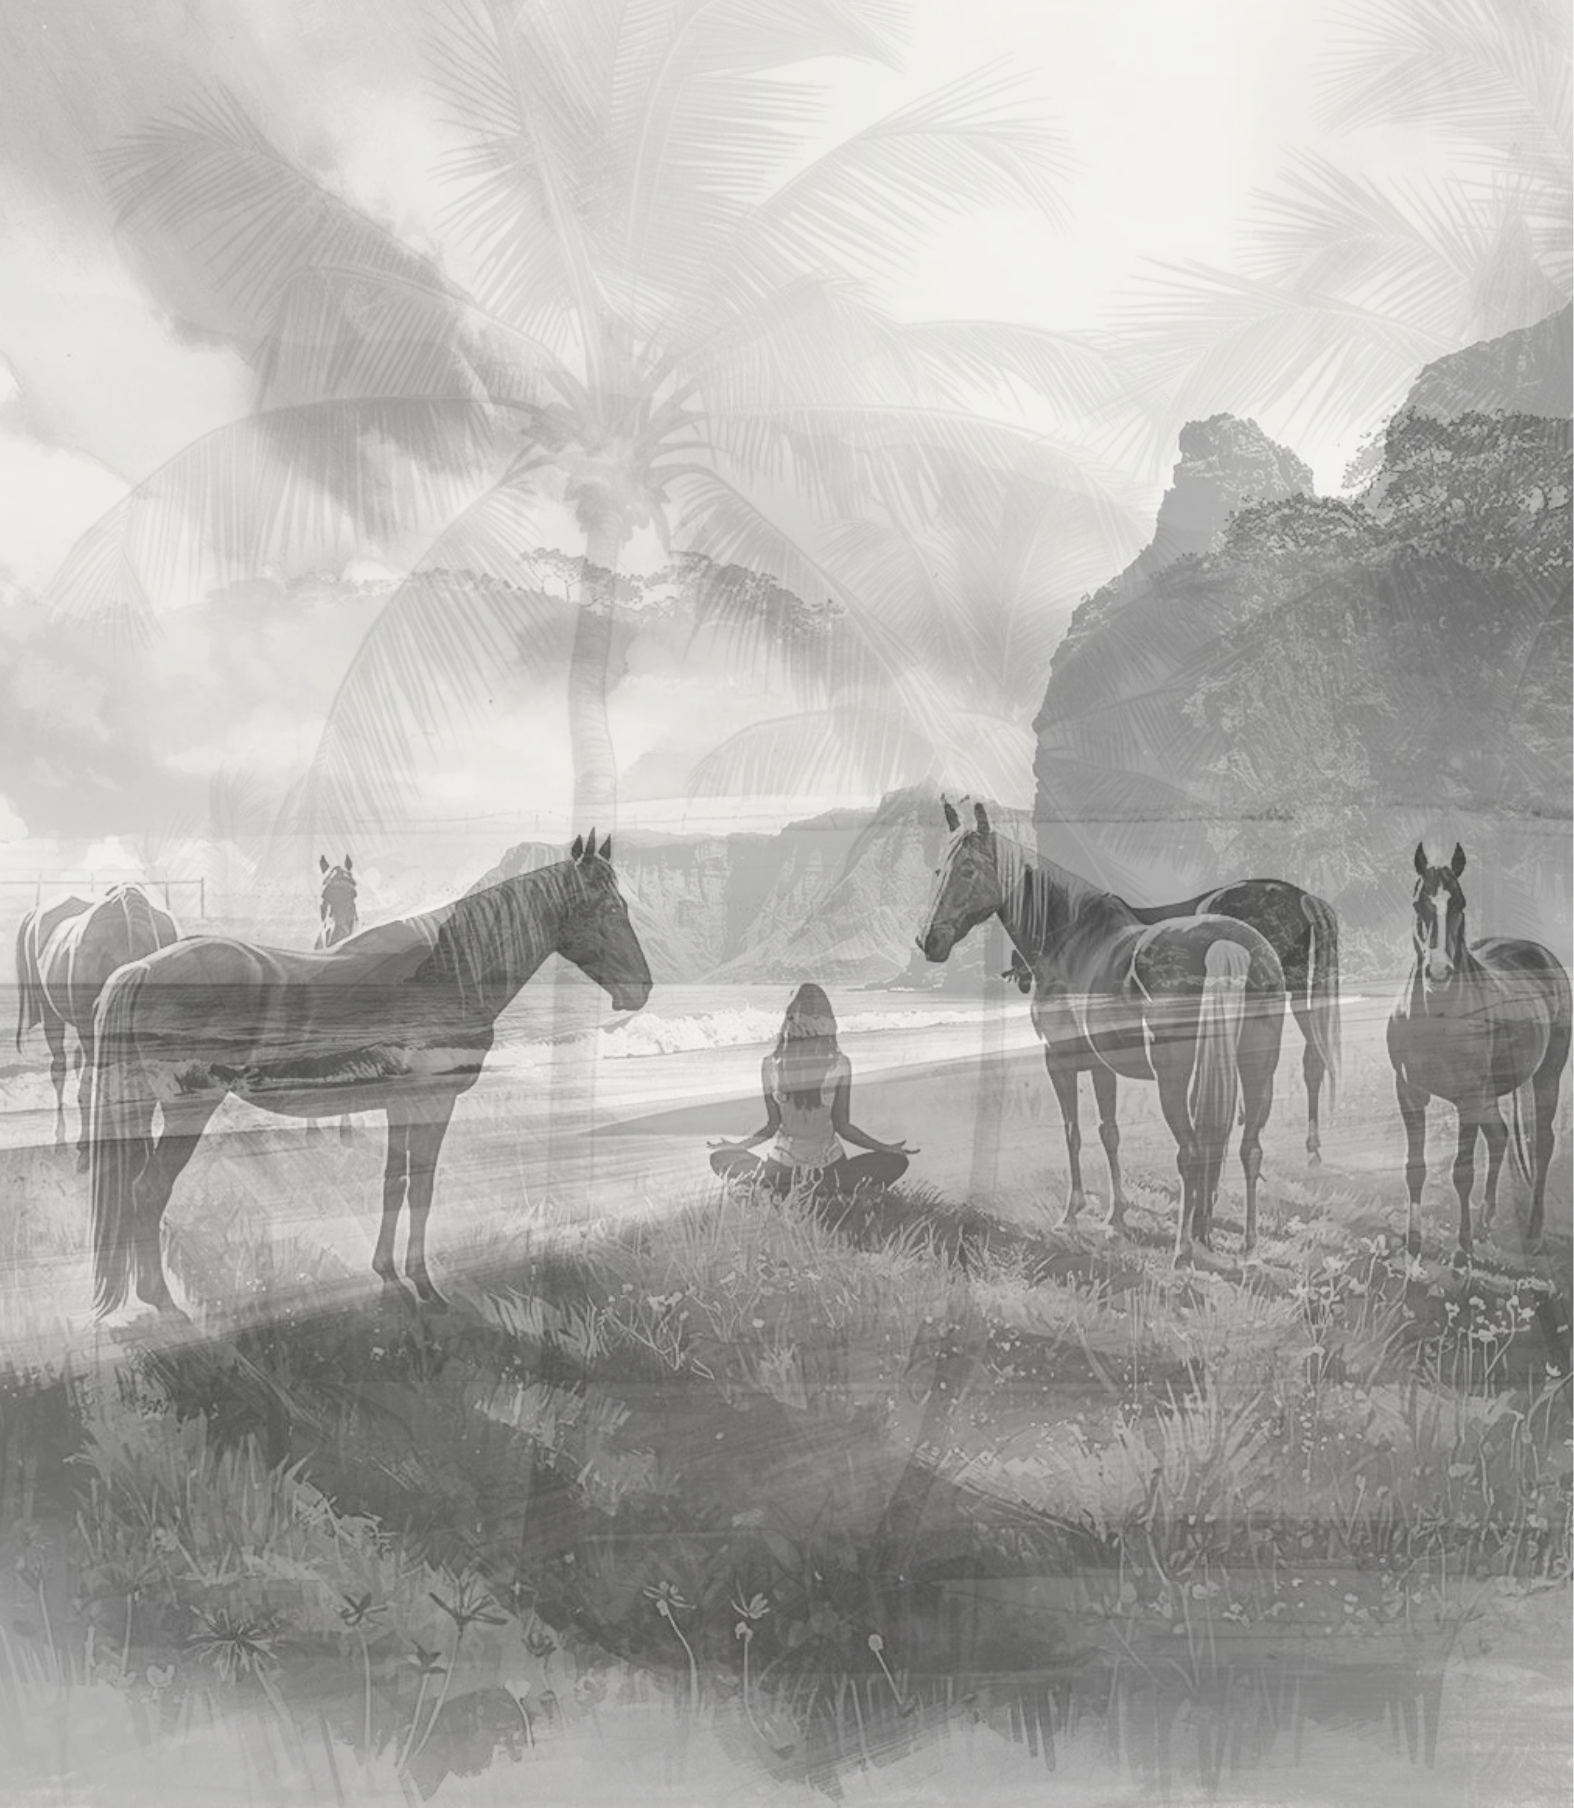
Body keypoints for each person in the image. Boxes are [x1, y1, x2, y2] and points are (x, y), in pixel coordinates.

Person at [709, 983, 915, 1200]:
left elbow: (772, 1126)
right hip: (830, 1169)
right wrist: (885, 1148)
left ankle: (783, 1189)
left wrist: (737, 1147)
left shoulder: (770, 1065)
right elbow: (843, 1127)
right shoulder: (839, 1064)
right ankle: (824, 1189)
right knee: (895, 1162)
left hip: (782, 1170)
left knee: (720, 1158)